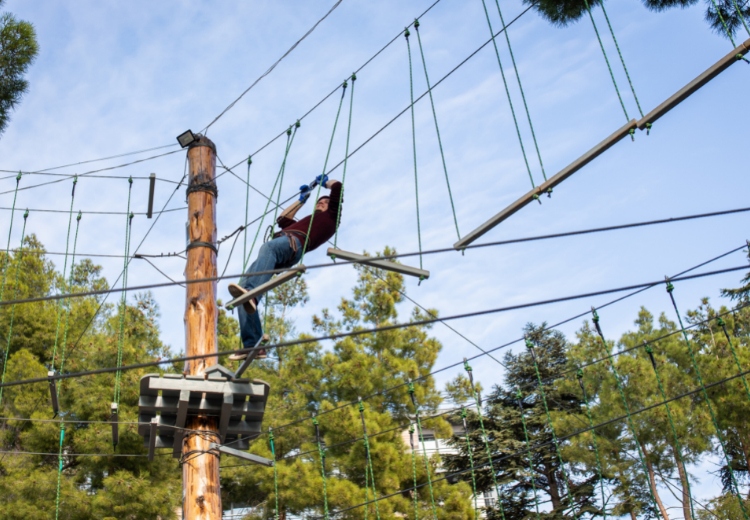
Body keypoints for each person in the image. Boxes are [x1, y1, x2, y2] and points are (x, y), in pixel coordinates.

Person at [227, 174, 342, 360]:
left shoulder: (331, 218)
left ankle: (252, 295)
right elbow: (282, 218)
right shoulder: (306, 220)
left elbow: (338, 187)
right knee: (242, 291)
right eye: (318, 202)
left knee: (265, 253)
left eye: (325, 201)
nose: (321, 203)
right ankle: (253, 345)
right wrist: (302, 200)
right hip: (281, 247)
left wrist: (325, 184)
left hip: (293, 244)